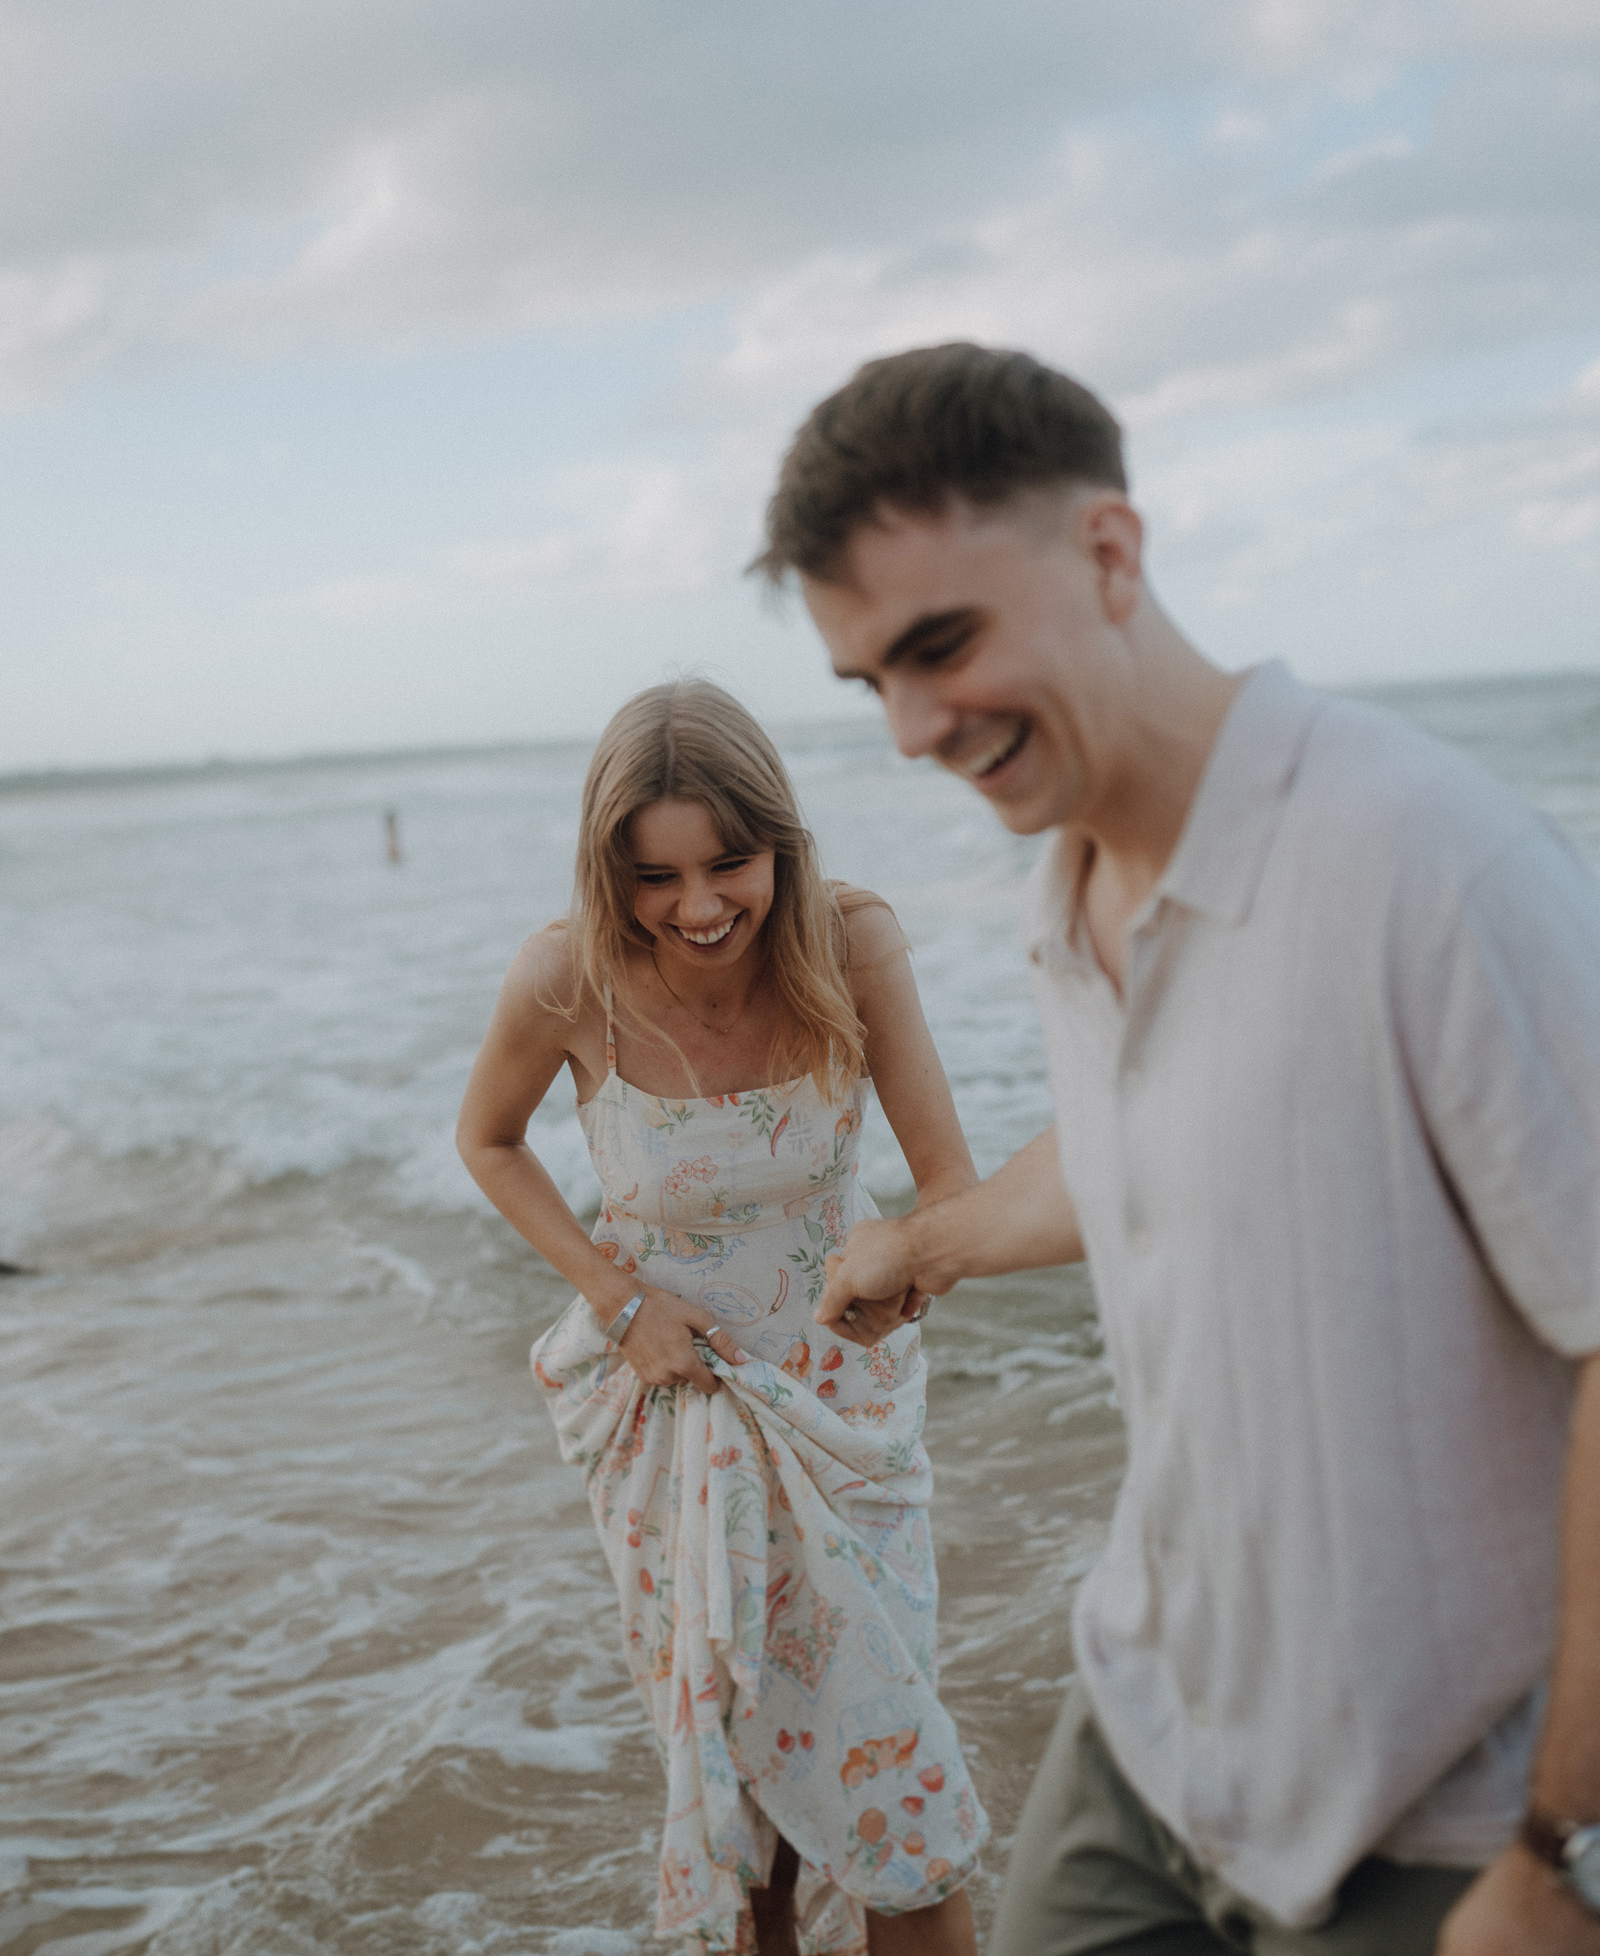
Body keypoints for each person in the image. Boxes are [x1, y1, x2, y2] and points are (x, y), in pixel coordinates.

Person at [753, 341, 1600, 1956]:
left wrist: (1564, 1850)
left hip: (1441, 1821)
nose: (915, 731)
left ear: (1112, 553)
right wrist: (920, 1246)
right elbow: (1148, 1146)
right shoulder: (1065, 893)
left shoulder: (1428, 863)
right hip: (1147, 1752)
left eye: (942, 646)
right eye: (873, 681)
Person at [456, 680, 989, 1956]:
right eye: (654, 877)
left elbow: (950, 1186)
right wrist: (616, 1294)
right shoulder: (564, 977)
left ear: (780, 845)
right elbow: (488, 1140)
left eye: (729, 865)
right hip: (667, 1415)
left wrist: (912, 1257)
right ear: (609, 869)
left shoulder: (850, 942)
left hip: (843, 1413)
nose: (697, 908)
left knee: (891, 1792)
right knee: (745, 1811)